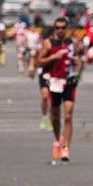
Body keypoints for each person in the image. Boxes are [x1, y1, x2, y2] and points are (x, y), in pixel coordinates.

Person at [35, 17, 82, 163]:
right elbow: (39, 62)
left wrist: (77, 63)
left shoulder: (71, 43)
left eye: (63, 27)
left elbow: (78, 62)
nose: (60, 30)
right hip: (55, 82)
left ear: (66, 28)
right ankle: (58, 140)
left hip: (69, 82)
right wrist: (53, 57)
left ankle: (66, 147)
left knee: (68, 116)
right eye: (58, 27)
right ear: (55, 28)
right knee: (55, 117)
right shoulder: (48, 43)